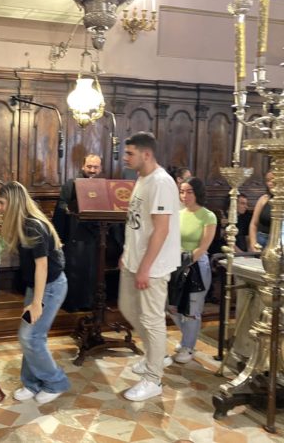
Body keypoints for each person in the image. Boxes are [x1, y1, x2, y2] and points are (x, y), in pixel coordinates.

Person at [119, 132, 181, 401]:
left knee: (151, 319)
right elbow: (137, 223)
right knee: (128, 308)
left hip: (153, 266)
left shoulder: (161, 182)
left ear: (146, 154)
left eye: (130, 153)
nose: (125, 157)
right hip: (134, 260)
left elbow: (161, 230)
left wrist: (145, 267)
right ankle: (154, 355)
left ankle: (154, 378)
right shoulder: (142, 178)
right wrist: (127, 253)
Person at [0, 181, 70, 404]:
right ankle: (31, 383)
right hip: (37, 286)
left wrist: (37, 302)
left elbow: (42, 266)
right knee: (32, 336)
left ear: (13, 203)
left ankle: (56, 382)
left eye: (1, 203)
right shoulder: (23, 223)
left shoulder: (33, 226)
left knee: (31, 336)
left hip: (50, 287)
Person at [167, 177, 216, 364]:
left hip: (196, 266)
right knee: (172, 307)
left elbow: (203, 246)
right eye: (182, 191)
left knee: (192, 309)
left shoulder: (208, 216)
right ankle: (187, 337)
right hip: (176, 263)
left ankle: (188, 346)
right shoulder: (178, 214)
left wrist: (186, 262)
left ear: (198, 193)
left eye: (189, 192)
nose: (184, 196)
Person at [52, 154, 105, 312]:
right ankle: (72, 304)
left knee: (91, 270)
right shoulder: (71, 184)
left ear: (100, 169)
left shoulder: (103, 186)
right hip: (75, 233)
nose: (92, 170)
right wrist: (70, 209)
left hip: (95, 235)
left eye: (95, 167)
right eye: (89, 166)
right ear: (83, 166)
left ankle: (88, 302)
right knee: (74, 269)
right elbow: (61, 204)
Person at [249, 170, 277, 250]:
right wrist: (253, 243)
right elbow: (253, 224)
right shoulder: (264, 199)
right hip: (262, 239)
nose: (269, 183)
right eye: (267, 180)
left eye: (272, 179)